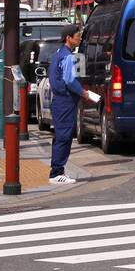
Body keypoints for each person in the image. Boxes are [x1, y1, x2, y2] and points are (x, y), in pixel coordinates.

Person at [47, 24, 98, 185]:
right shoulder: (68, 56)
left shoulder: (57, 54)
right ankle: (57, 172)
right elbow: (70, 80)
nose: (80, 38)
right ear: (68, 38)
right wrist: (84, 93)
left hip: (59, 100)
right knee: (64, 136)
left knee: (60, 135)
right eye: (77, 35)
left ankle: (57, 170)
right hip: (66, 100)